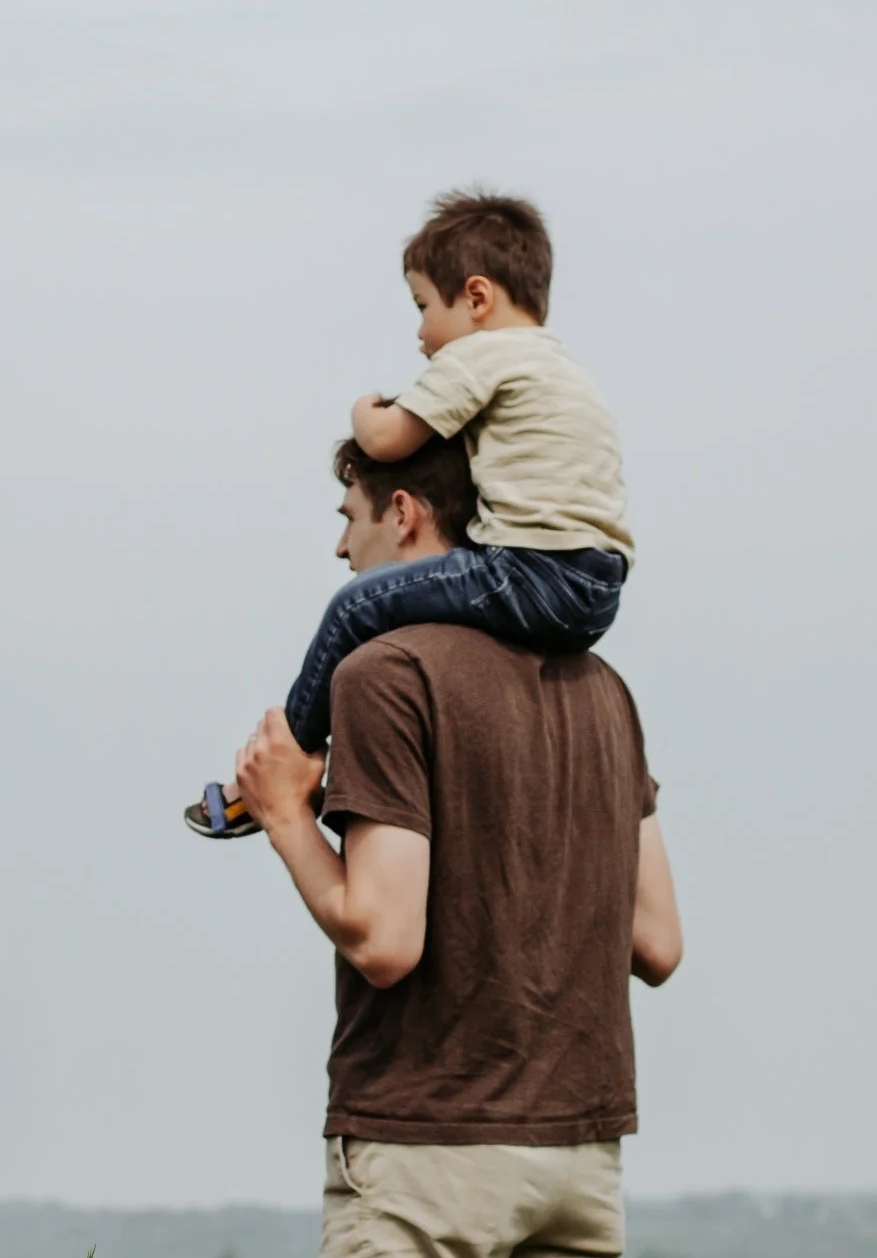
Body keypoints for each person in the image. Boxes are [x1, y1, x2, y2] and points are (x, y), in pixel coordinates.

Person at [228, 433, 682, 1258]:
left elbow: (384, 935)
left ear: (410, 518)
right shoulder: (603, 689)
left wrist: (285, 817)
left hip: (431, 1132)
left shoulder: (387, 672)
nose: (339, 541)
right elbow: (658, 941)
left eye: (349, 512)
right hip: (579, 1135)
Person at [189, 189, 630, 838]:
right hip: (598, 585)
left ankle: (289, 765)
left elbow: (386, 439)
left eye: (424, 307)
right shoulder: (565, 367)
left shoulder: (484, 353)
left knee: (355, 607)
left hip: (535, 568)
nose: (421, 335)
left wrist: (363, 406)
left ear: (477, 299)